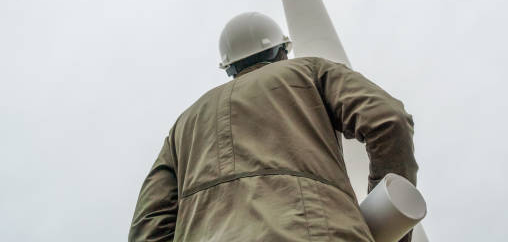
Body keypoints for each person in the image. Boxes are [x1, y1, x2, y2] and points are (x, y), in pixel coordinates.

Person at [128, 12, 418, 242]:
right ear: (282, 50)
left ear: (229, 68)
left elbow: (148, 225)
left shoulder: (183, 125)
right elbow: (388, 119)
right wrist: (390, 223)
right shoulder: (309, 71)